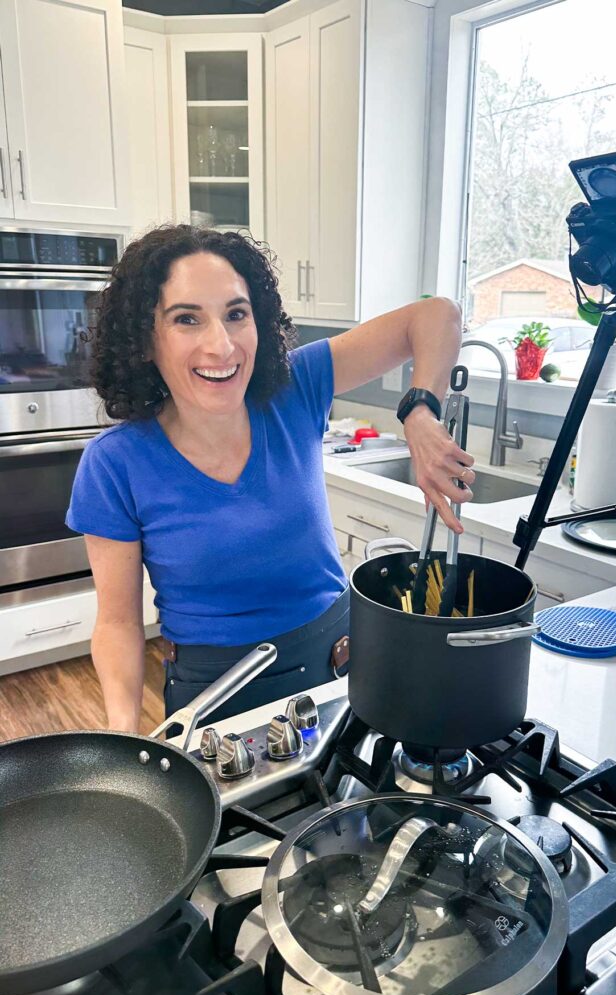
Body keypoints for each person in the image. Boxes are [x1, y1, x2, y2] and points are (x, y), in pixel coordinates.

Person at [66, 226, 475, 732]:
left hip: (341, 669)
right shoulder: (115, 464)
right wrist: (124, 737)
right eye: (186, 319)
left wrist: (421, 411)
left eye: (236, 314)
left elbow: (437, 315)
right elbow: (119, 624)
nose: (221, 345)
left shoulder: (295, 389)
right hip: (214, 699)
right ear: (145, 341)